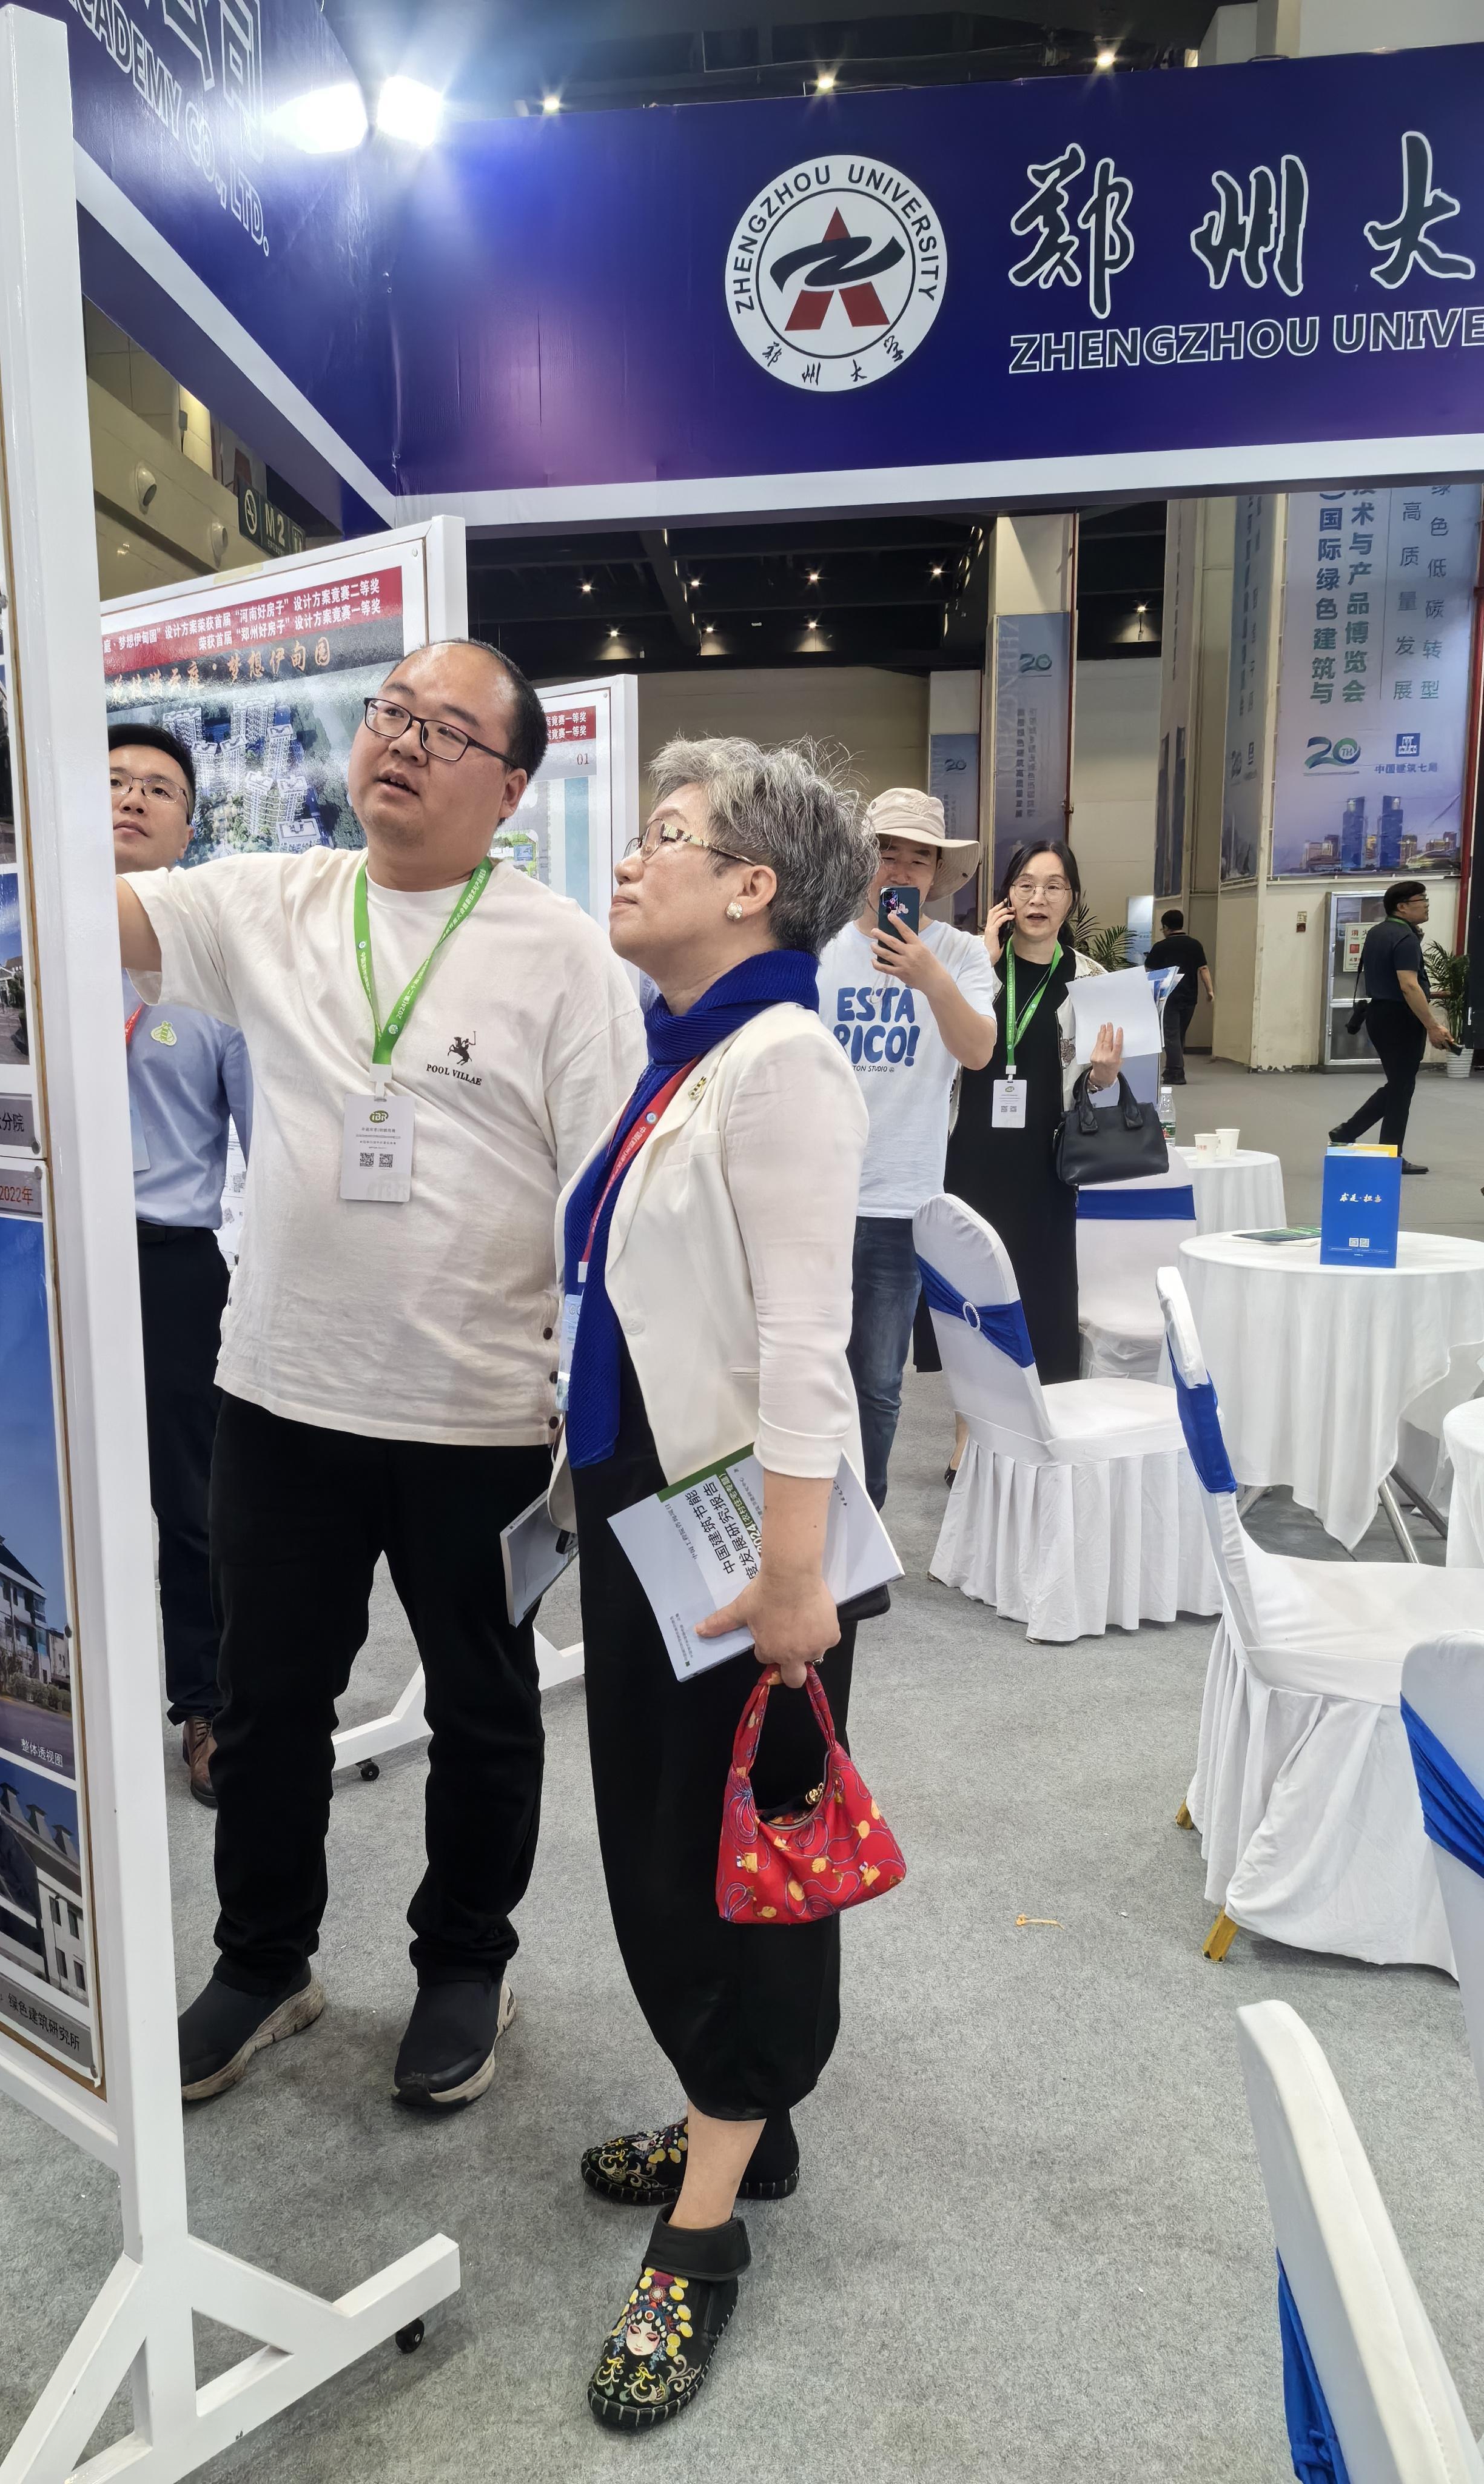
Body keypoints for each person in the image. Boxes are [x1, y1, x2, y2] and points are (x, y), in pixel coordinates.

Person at [116, 639, 643, 2112]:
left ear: (511, 787)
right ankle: (262, 1960)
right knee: (266, 1700)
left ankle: (464, 1961)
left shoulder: (559, 952)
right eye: (391, 714)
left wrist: (594, 1403)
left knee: (482, 1704)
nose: (403, 743)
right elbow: (94, 912)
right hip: (280, 1393)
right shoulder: (272, 901)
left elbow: (612, 1191)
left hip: (479, 1411)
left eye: (448, 730)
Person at [550, 737, 878, 2429]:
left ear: (752, 886)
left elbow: (808, 1342)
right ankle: (744, 2122)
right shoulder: (685, 1057)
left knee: (737, 1871)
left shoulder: (782, 1062)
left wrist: (794, 1578)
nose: (631, 856)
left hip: (753, 1544)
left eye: (665, 835)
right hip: (659, 1510)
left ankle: (705, 2233)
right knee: (671, 1846)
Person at [110, 723, 254, 1808]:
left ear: (187, 827)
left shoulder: (216, 978)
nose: (132, 799)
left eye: (158, 788)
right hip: (36, 1260)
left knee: (194, 1506)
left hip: (167, 1267)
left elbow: (270, 1143)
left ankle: (208, 1707)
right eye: (113, 780)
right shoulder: (15, 953)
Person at [918, 839, 1120, 1474]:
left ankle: (1036, 1433)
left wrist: (1103, 1078)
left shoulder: (1092, 981)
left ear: (1072, 899)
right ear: (1007, 896)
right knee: (972, 1297)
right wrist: (980, 964)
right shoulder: (973, 966)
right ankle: (969, 1436)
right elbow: (932, 1052)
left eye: (1054, 886)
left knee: (1041, 1293)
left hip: (1046, 1162)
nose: (1039, 898)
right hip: (971, 1155)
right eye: (1026, 885)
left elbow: (1105, 1093)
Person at [818, 788, 995, 1508]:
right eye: (885, 851)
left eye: (918, 858)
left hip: (901, 1201)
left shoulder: (960, 954)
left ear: (936, 874)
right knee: (800, 1367)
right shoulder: (822, 944)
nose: (899, 868)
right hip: (815, 1196)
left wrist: (930, 979)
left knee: (878, 1380)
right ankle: (803, 1520)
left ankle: (862, 1518)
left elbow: (978, 1051)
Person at [1331, 880, 1457, 1173]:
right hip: (1401, 1019)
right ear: (1402, 907)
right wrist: (1432, 1026)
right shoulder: (1406, 938)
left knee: (1400, 1085)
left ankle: (1349, 1133)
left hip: (1380, 1015)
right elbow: (1408, 985)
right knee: (1401, 1088)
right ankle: (1387, 1155)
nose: (1426, 905)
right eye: (1422, 900)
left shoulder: (1377, 933)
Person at [1144, 907, 1213, 1085]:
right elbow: (1203, 969)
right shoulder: (1195, 945)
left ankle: (1176, 1072)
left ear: (1166, 927)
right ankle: (1171, 1068)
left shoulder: (1161, 947)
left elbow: (1150, 971)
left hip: (1169, 997)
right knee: (1179, 1033)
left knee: (1171, 1034)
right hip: (1190, 997)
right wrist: (1210, 991)